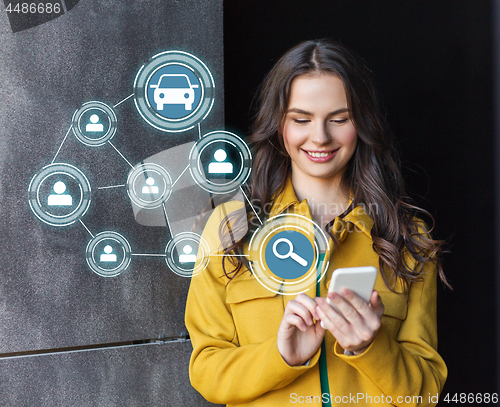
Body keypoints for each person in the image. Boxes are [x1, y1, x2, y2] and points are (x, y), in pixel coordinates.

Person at [185, 39, 449, 406]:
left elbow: (426, 392)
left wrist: (372, 348)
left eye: (340, 119)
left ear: (363, 123)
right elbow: (207, 371)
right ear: (279, 125)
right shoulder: (227, 228)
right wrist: (281, 358)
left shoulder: (407, 237)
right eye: (301, 119)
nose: (320, 137)